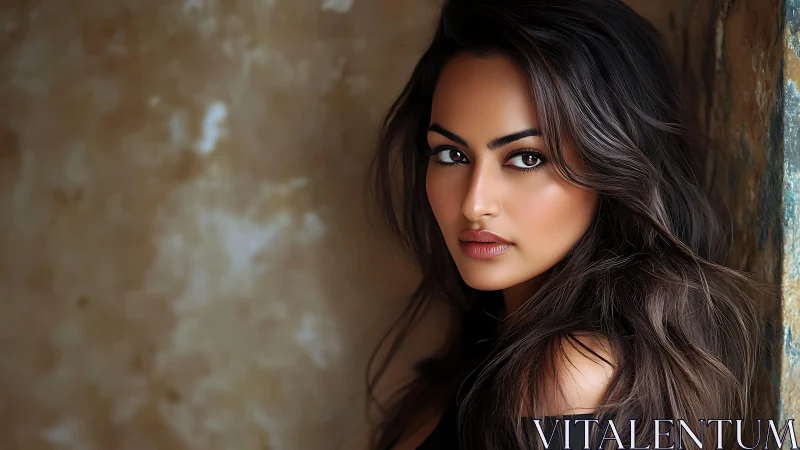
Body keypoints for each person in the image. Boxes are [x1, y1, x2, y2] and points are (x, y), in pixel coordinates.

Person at [365, 0, 764, 448]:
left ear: (610, 165)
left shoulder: (569, 376)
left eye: (527, 158)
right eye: (451, 155)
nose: (474, 204)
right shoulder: (487, 337)